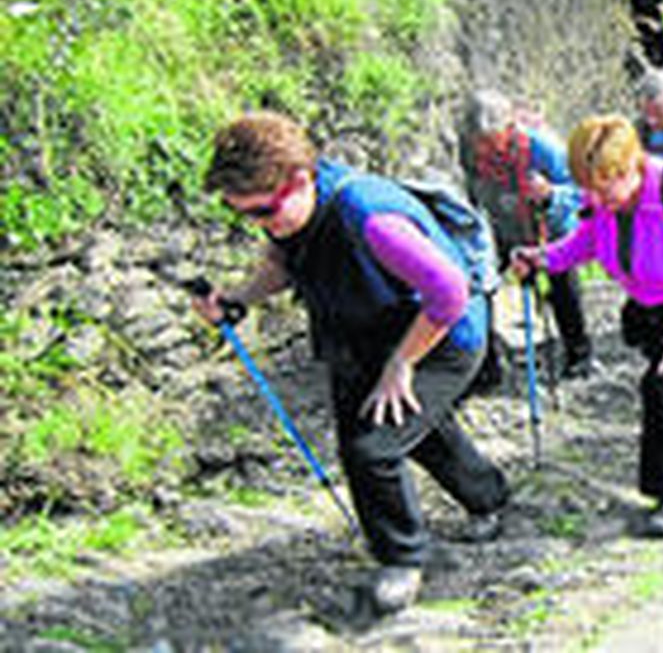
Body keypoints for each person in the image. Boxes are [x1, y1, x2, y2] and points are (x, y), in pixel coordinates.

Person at [193, 111, 509, 614]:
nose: (258, 224)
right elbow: (282, 260)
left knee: (373, 446)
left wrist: (402, 365)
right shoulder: (292, 208)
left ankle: (401, 561)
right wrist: (239, 297)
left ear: (299, 180)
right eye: (243, 215)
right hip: (364, 334)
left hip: (442, 337)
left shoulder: (369, 217)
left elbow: (449, 293)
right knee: (415, 430)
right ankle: (489, 498)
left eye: (262, 212)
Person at [511, 116, 663, 539]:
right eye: (588, 188)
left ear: (630, 168)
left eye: (603, 188)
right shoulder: (608, 205)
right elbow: (587, 241)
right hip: (657, 304)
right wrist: (543, 258)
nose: (595, 199)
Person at [464, 90, 595, 379]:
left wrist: (550, 194)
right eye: (478, 139)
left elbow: (580, 191)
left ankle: (579, 354)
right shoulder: (469, 149)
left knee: (562, 287)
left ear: (508, 128)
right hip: (504, 225)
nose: (483, 146)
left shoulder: (542, 147)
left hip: (551, 226)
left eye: (489, 138)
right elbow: (471, 192)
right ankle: (486, 365)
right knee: (480, 284)